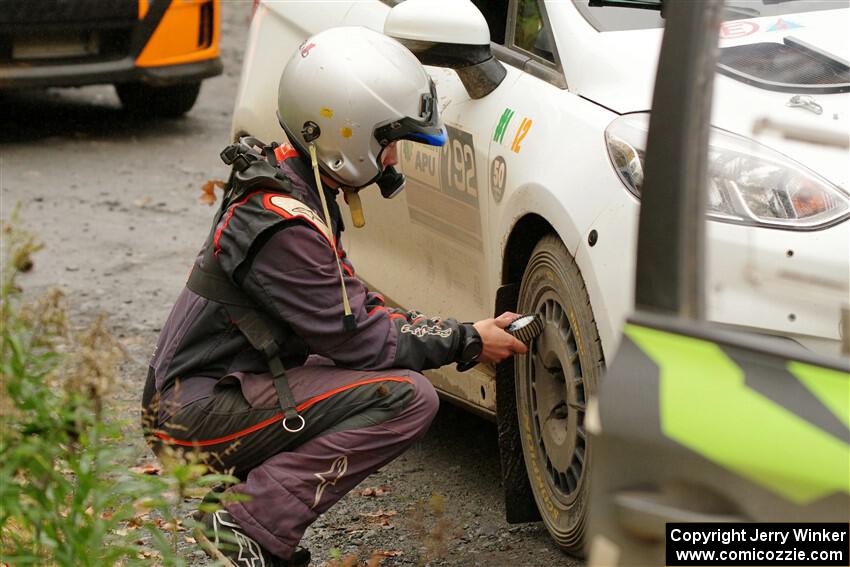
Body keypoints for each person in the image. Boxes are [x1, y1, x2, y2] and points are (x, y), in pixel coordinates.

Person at [141, 26, 527, 567]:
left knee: (382, 377)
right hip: (191, 413)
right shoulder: (284, 224)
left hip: (213, 391)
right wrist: (466, 341)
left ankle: (248, 511)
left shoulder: (293, 183)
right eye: (389, 140)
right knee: (406, 397)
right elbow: (362, 339)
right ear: (347, 131)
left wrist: (459, 332)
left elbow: (354, 308)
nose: (392, 158)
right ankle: (246, 524)